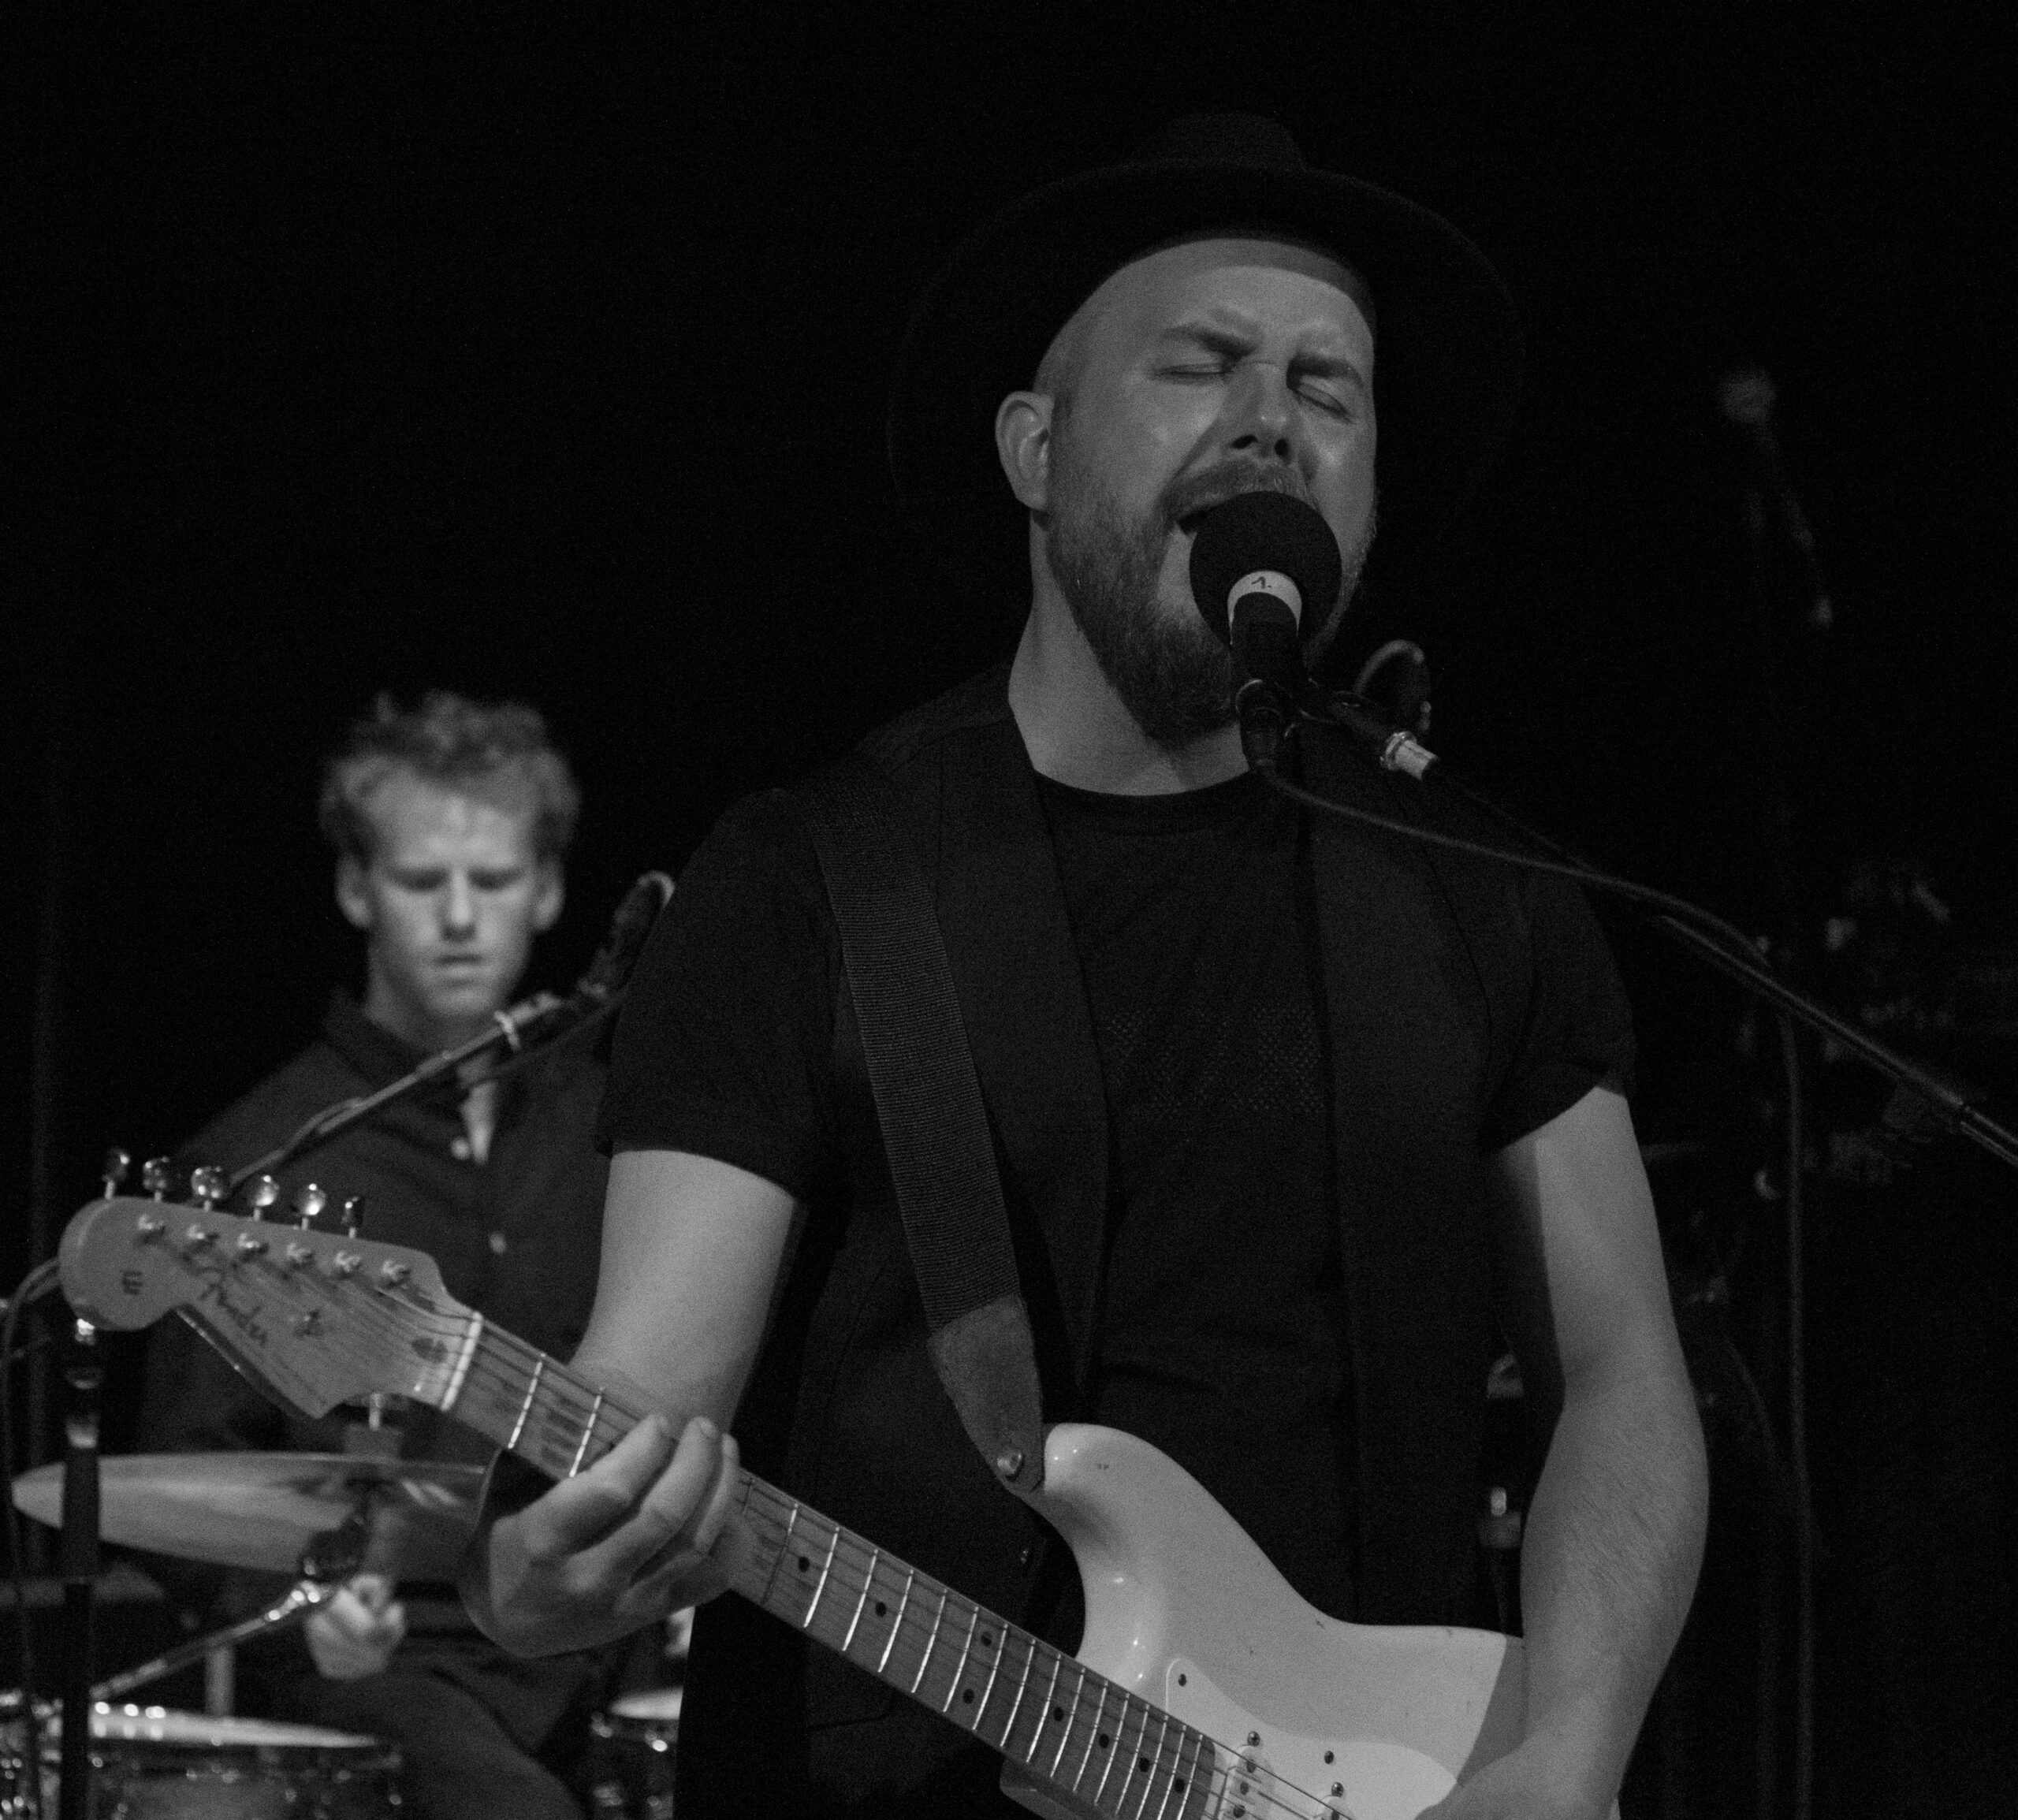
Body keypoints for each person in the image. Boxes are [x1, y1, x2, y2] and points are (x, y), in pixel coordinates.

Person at [464, 115, 1709, 1819]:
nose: (1269, 416)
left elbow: (1622, 1374)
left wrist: (1572, 1750)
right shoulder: (809, 879)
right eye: (1199, 363)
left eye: (1327, 389)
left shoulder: (1479, 890)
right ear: (1035, 451)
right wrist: (537, 1564)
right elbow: (647, 1381)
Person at [136, 690, 614, 1820]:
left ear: (547, 890)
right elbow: (179, 1462)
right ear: (357, 889)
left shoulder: (614, 1136)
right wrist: (298, 1607)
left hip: (590, 1638)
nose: (460, 917)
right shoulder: (264, 1158)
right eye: (420, 881)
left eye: (493, 880)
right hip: (385, 1663)